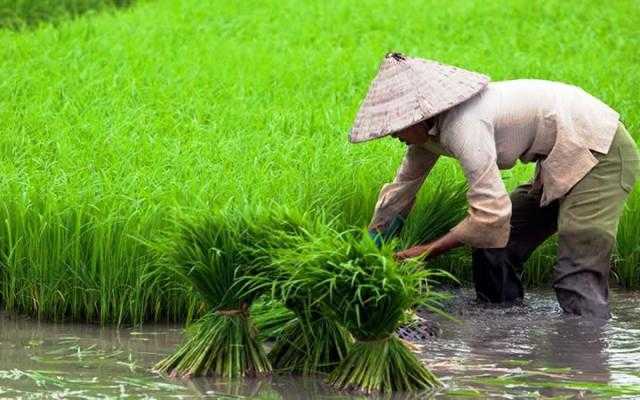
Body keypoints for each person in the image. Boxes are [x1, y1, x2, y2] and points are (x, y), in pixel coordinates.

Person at [351, 52, 640, 319]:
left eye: (396, 126)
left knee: (577, 271)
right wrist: (370, 248)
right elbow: (401, 192)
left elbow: (490, 214)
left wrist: (425, 251)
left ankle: (586, 356)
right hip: (562, 156)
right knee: (496, 244)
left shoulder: (465, 126)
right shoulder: (425, 138)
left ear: (419, 116)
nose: (391, 135)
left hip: (600, 151)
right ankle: (504, 328)